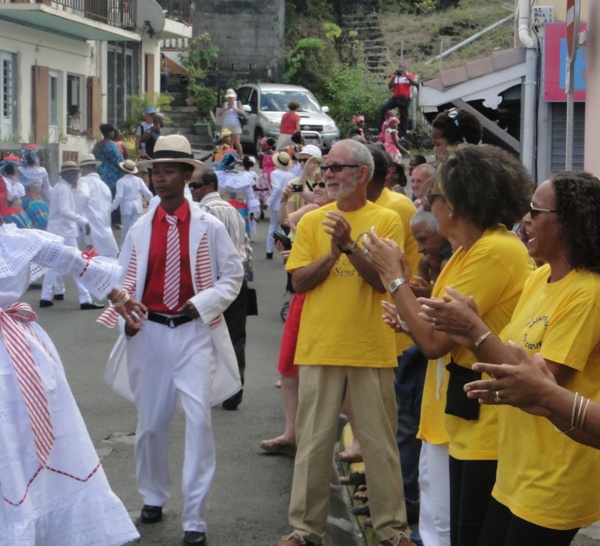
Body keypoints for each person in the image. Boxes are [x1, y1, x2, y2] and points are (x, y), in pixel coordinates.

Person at [363, 144, 535, 546]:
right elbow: (434, 329)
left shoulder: (494, 250)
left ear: (456, 204)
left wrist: (393, 277)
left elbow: (434, 342)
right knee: (443, 527)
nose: (425, 203)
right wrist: (409, 306)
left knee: (451, 532)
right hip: (455, 414)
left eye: (432, 196)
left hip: (481, 421)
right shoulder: (467, 252)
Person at [420, 171, 600, 546]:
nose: (526, 220)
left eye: (536, 211)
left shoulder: (588, 292)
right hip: (516, 467)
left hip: (554, 474)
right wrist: (473, 327)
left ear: (568, 221)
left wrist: (474, 332)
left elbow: (537, 385)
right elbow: (509, 355)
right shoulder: (540, 277)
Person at [98, 135, 243, 546]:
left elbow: (232, 276)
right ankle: (152, 496)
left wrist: (204, 302)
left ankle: (195, 518)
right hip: (149, 331)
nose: (159, 178)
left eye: (167, 171)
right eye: (154, 171)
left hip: (193, 331)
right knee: (151, 424)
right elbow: (123, 276)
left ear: (187, 174)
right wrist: (126, 316)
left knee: (199, 422)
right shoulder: (141, 228)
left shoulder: (210, 226)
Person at [278, 139, 415, 546]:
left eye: (337, 168)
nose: (328, 175)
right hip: (320, 344)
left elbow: (382, 281)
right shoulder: (310, 221)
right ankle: (305, 531)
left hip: (370, 344)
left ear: (362, 175)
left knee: (380, 444)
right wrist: (334, 253)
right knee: (313, 444)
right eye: (327, 168)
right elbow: (298, 281)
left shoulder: (387, 219)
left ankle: (392, 530)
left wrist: (350, 245)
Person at [0, 221, 145, 546]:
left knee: (21, 435)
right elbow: (74, 261)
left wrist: (119, 296)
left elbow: (75, 261)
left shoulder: (18, 241)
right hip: (21, 347)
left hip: (17, 350)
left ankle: (33, 519)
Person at [260, 171, 334, 457]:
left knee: (334, 374)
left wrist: (300, 261)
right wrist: (284, 199)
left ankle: (349, 440)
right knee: (288, 367)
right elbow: (285, 220)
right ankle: (291, 431)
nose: (318, 189)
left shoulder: (336, 218)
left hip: (322, 298)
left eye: (325, 185)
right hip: (301, 296)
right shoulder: (314, 213)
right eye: (316, 185)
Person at [189, 167, 253, 411]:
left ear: (209, 186)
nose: (192, 190)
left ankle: (212, 388)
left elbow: (198, 251)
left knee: (208, 337)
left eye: (195, 185)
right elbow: (245, 246)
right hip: (236, 281)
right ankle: (234, 388)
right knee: (235, 337)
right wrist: (246, 272)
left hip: (212, 283)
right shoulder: (233, 210)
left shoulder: (202, 212)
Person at [40, 161, 105, 311]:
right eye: (74, 174)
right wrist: (83, 221)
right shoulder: (63, 188)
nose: (77, 177)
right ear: (67, 174)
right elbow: (64, 211)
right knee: (77, 263)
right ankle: (85, 299)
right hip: (65, 232)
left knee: (51, 264)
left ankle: (46, 296)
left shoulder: (60, 187)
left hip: (56, 230)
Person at [77, 154, 119, 258]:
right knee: (106, 256)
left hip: (89, 224)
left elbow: (83, 195)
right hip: (104, 225)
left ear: (86, 168)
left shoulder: (84, 181)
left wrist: (77, 215)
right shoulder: (104, 186)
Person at [111, 159, 153, 245]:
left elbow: (119, 196)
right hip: (137, 206)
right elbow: (147, 193)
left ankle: (123, 247)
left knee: (126, 229)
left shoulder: (121, 181)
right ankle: (136, 246)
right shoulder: (139, 180)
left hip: (126, 206)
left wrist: (111, 208)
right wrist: (153, 202)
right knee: (136, 228)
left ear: (123, 170)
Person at [92, 123, 125, 228]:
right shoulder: (111, 145)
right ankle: (115, 221)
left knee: (102, 200)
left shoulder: (97, 145)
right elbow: (119, 160)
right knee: (115, 199)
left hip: (101, 175)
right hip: (113, 177)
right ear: (111, 132)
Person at [265, 151, 296, 259]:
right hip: (287, 203)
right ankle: (287, 250)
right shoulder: (291, 175)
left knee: (273, 226)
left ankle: (269, 251)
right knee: (286, 227)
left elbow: (277, 188)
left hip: (276, 204)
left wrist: (268, 202)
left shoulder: (275, 173)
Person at [380, 64, 419, 137]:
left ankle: (402, 133)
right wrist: (394, 76)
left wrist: (405, 75)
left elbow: (414, 83)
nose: (400, 70)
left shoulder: (409, 75)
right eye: (399, 69)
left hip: (405, 98)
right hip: (395, 97)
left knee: (403, 115)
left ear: (405, 69)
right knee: (384, 108)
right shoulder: (395, 77)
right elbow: (390, 86)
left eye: (401, 69)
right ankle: (383, 128)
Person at [218, 89, 244, 159]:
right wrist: (226, 108)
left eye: (231, 98)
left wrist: (235, 108)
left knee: (237, 142)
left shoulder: (237, 103)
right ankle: (229, 156)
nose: (230, 99)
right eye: (229, 98)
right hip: (226, 124)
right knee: (226, 141)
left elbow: (243, 112)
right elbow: (219, 114)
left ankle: (241, 157)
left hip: (235, 124)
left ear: (234, 97)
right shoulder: (225, 104)